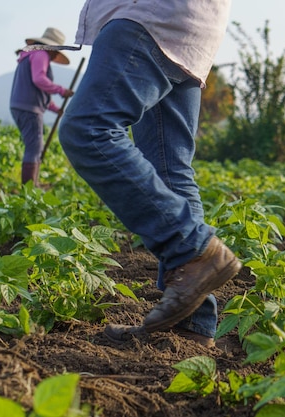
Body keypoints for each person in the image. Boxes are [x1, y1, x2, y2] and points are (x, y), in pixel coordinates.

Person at [58, 1, 241, 348]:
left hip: (146, 16)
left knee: (87, 129)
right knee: (169, 167)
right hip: (192, 27)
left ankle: (190, 249)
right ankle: (191, 328)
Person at [10, 27, 74, 187]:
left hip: (20, 106)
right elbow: (39, 80)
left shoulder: (30, 55)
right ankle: (30, 190)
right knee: (34, 146)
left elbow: (39, 92)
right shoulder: (41, 54)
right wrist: (61, 90)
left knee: (34, 146)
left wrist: (55, 109)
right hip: (29, 109)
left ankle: (32, 186)